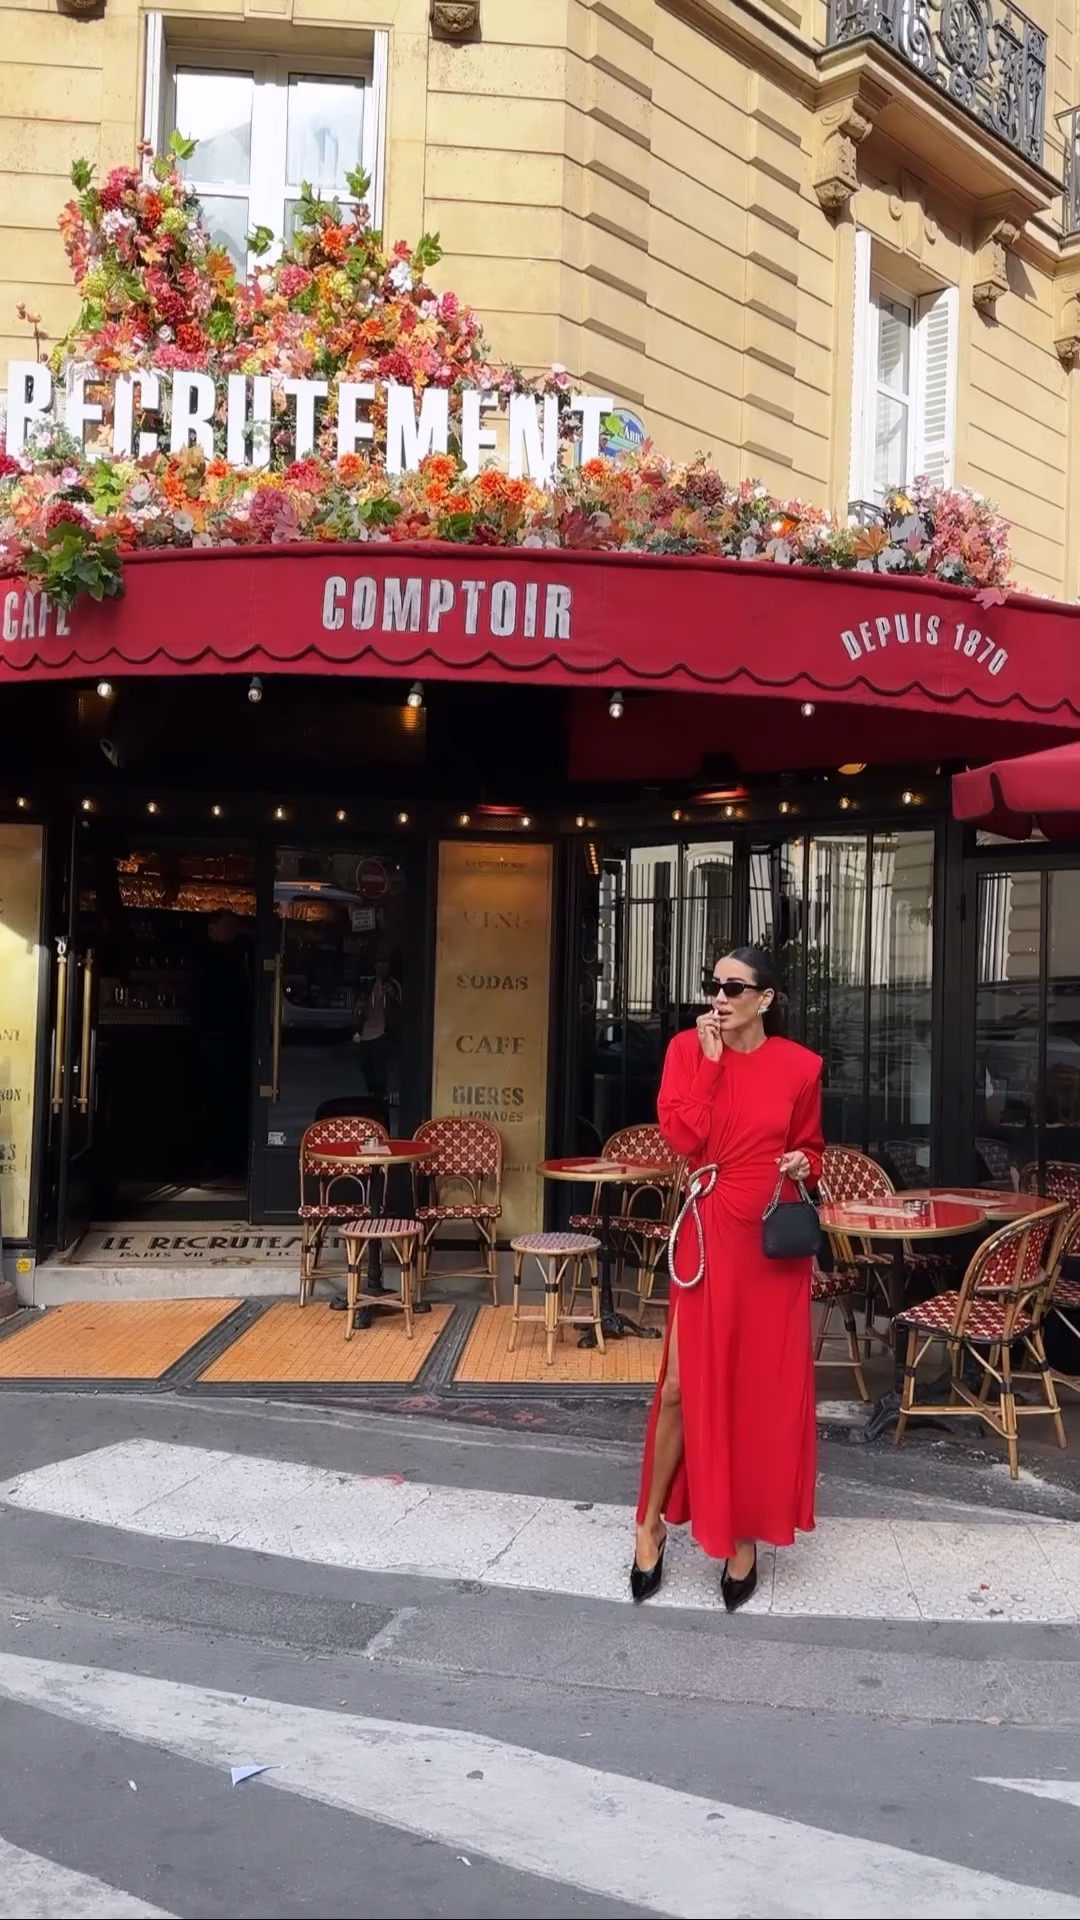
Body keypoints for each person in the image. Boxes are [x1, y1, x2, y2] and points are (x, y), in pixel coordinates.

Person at [631, 945, 823, 1613]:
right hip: (709, 1230)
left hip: (769, 1244)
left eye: (733, 988)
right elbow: (685, 1139)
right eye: (712, 985)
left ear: (765, 998)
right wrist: (711, 1067)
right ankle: (648, 1521)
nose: (718, 998)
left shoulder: (801, 1067)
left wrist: (803, 1163)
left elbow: (813, 1149)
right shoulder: (688, 1050)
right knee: (682, 1387)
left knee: (755, 1393)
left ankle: (741, 1535)